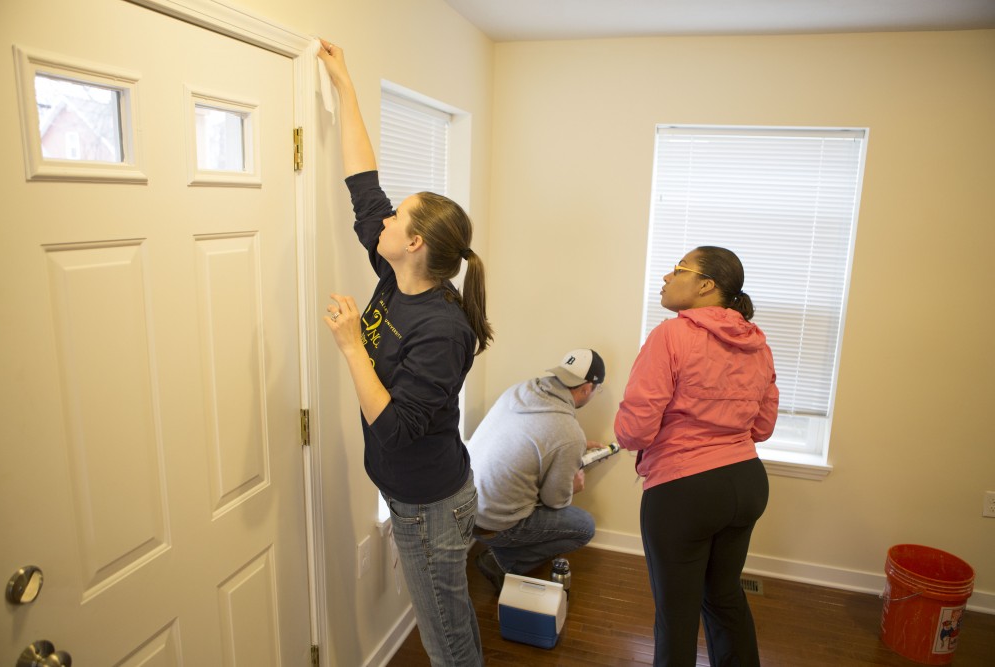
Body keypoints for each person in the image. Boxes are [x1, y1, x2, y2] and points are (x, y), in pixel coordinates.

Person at [317, 41, 493, 667]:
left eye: (399, 218)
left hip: (430, 509)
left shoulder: (442, 330)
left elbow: (393, 430)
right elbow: (364, 188)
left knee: (443, 641)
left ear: (414, 242)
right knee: (449, 622)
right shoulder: (398, 277)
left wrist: (348, 345)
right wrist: (345, 87)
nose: (383, 220)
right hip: (412, 497)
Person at [613, 247, 778, 667]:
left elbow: (634, 431)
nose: (666, 277)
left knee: (677, 614)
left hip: (684, 490)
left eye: (677, 269)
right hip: (746, 482)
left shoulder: (671, 335)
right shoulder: (758, 344)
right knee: (725, 598)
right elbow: (762, 428)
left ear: (706, 285)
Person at [468, 348, 607, 591]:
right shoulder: (568, 432)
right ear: (587, 388)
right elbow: (554, 501)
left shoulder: (521, 390)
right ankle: (500, 562)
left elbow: (534, 439)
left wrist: (576, 448)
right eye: (597, 389)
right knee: (584, 527)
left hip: (466, 508)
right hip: (494, 524)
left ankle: (503, 549)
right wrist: (573, 487)